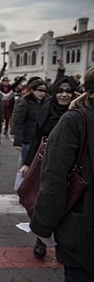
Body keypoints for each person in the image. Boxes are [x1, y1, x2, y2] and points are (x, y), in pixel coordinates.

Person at [30, 66, 94, 281]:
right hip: (83, 234)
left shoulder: (74, 119)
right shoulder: (75, 120)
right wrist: (43, 227)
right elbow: (55, 178)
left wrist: (42, 227)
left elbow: (54, 179)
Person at [19, 76, 76, 259]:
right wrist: (28, 163)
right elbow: (37, 138)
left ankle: (63, 246)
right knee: (44, 203)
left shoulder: (79, 112)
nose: (64, 95)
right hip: (48, 165)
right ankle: (41, 240)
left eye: (68, 91)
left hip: (74, 168)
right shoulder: (46, 110)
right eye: (60, 90)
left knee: (70, 207)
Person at [11, 79, 48, 169]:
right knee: (25, 162)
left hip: (39, 139)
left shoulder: (45, 104)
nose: (42, 93)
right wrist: (18, 141)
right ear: (32, 90)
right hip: (27, 138)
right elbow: (18, 122)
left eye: (44, 91)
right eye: (39, 90)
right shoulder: (25, 103)